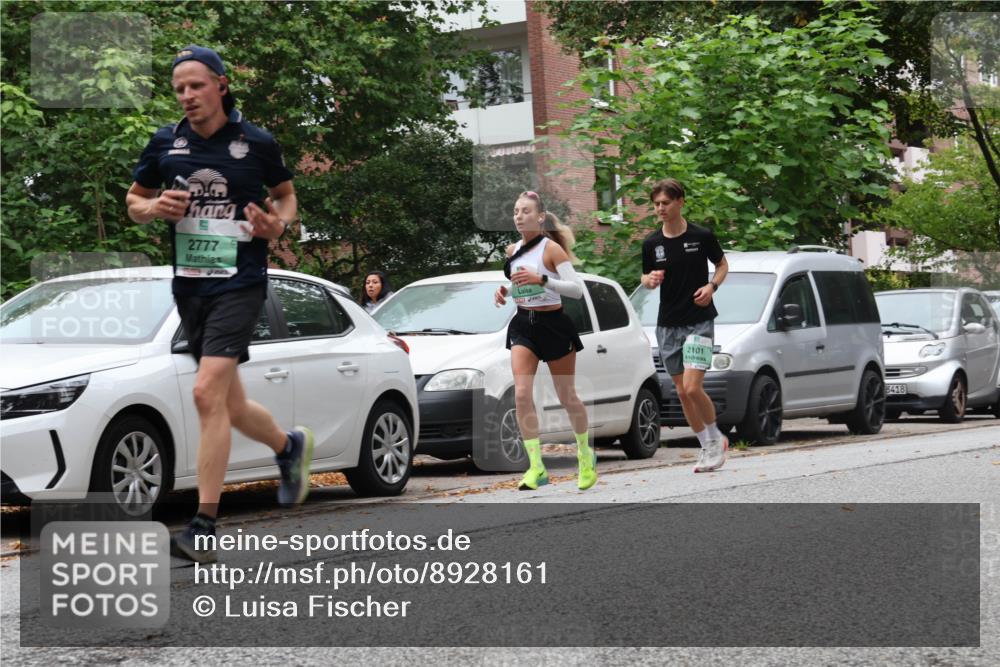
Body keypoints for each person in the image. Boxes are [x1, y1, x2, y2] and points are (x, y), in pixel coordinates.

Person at [126, 45, 313, 563]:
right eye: (179, 89)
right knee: (229, 405)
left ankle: (204, 526)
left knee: (205, 393)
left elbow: (285, 195)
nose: (187, 96)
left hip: (241, 283)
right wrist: (154, 208)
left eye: (196, 85)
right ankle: (289, 447)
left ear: (221, 85)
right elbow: (134, 201)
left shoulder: (256, 143)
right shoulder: (165, 142)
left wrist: (278, 225)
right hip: (190, 288)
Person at [494, 191, 596, 491]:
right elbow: (518, 285)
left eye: (525, 211)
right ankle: (536, 466)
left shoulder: (552, 250)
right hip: (523, 325)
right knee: (521, 395)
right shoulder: (512, 250)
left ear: (540, 217)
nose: (519, 216)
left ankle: (585, 456)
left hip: (554, 325)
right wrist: (504, 292)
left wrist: (543, 280)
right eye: (516, 211)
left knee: (567, 396)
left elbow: (576, 290)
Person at [640, 178, 729, 472]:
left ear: (680, 202)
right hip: (668, 325)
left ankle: (715, 439)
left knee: (692, 388)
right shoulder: (652, 243)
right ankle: (707, 444)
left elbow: (722, 265)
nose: (660, 208)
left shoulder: (701, 236)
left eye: (665, 203)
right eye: (656, 204)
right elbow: (645, 277)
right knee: (681, 392)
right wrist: (650, 280)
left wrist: (711, 287)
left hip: (699, 322)